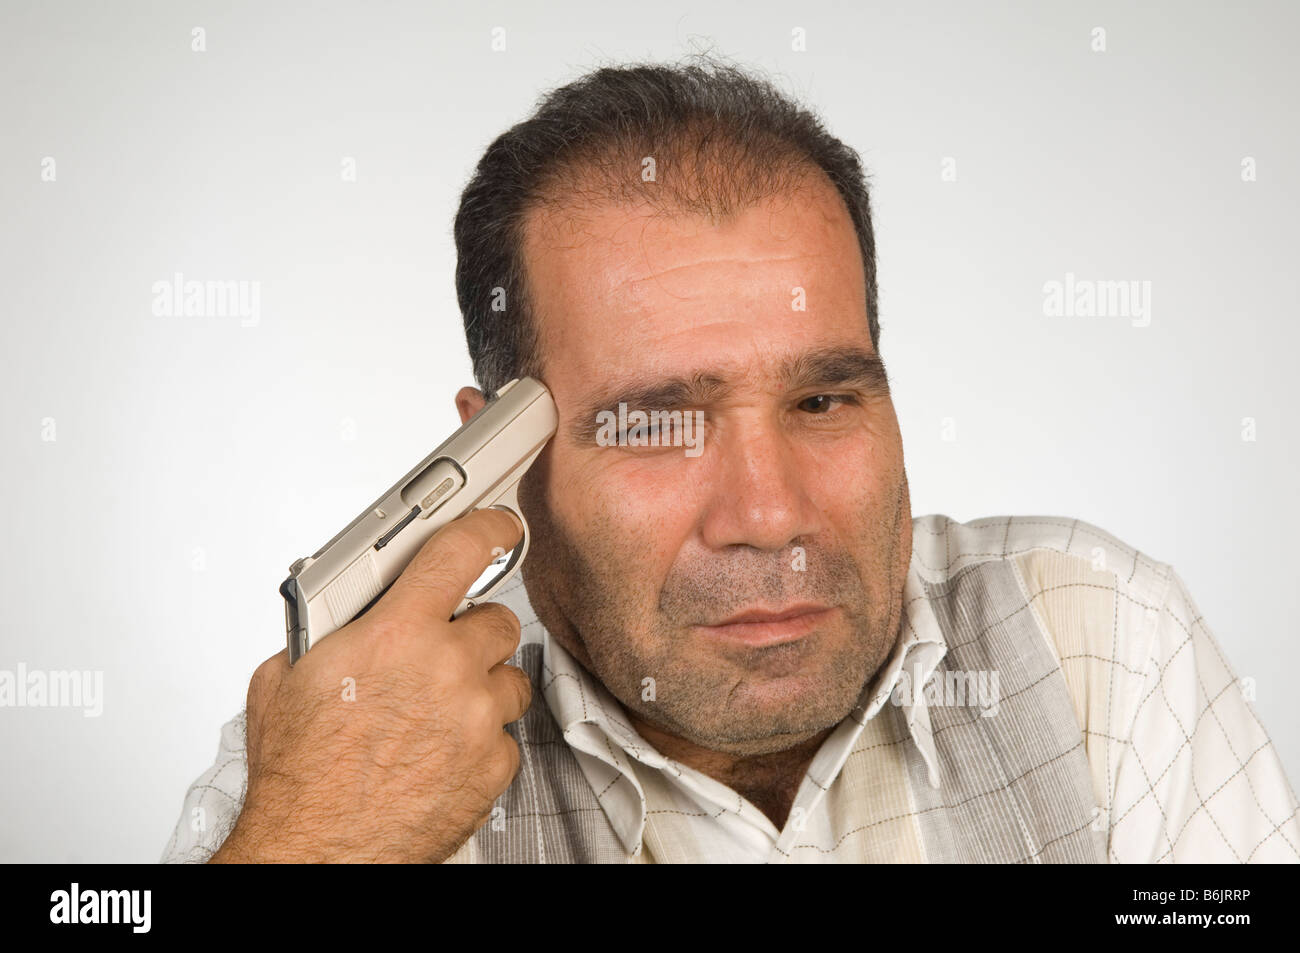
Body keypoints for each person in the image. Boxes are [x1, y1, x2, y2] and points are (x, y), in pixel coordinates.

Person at [163, 55, 1299, 863]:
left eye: (821, 396)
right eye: (655, 422)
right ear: (503, 456)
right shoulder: (346, 744)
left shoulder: (1098, 638)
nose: (769, 514)